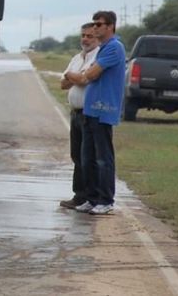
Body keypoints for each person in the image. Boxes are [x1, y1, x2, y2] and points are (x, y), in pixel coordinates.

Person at [65, 11, 126, 215]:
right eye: (94, 23)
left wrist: (76, 75)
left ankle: (106, 199)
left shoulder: (114, 48)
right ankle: (91, 198)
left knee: (103, 158)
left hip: (103, 109)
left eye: (99, 24)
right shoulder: (104, 48)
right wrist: (79, 76)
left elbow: (88, 76)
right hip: (91, 109)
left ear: (110, 27)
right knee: (87, 157)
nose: (95, 27)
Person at [59, 23, 100, 209]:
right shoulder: (77, 58)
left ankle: (91, 196)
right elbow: (63, 84)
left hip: (88, 113)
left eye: (90, 36)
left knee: (88, 156)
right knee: (76, 155)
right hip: (75, 113)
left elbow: (84, 80)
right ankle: (79, 195)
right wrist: (73, 76)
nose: (85, 39)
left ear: (97, 37)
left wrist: (72, 76)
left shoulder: (98, 57)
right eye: (83, 35)